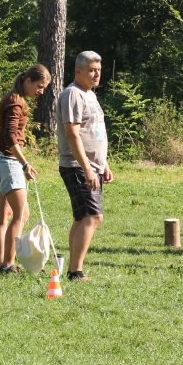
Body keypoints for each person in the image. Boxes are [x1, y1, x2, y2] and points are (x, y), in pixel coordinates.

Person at [0, 64, 52, 273]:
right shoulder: (16, 103)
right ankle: (8, 264)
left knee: (3, 214)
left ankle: (0, 262)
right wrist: (24, 163)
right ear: (28, 81)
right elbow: (10, 137)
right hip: (8, 163)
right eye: (39, 86)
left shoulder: (13, 98)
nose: (41, 91)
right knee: (21, 214)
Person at [56, 51, 113, 282]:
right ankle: (75, 271)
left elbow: (93, 131)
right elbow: (72, 133)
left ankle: (72, 268)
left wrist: (103, 164)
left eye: (99, 70)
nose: (96, 74)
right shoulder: (73, 94)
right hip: (78, 165)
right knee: (93, 217)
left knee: (82, 218)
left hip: (93, 166)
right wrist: (88, 168)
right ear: (78, 71)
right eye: (91, 70)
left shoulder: (90, 94)